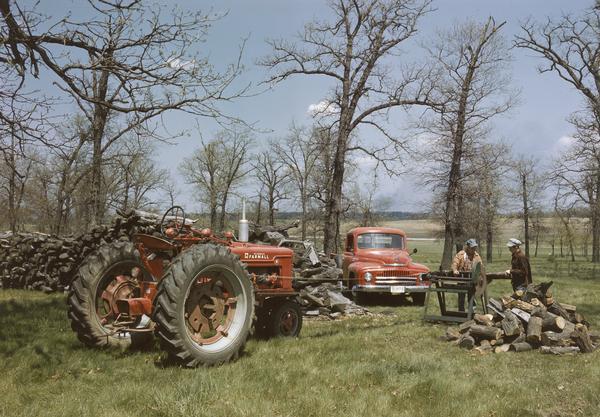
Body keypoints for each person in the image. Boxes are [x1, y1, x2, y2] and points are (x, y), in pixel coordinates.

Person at [451, 239, 482, 311]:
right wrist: (455, 270)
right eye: (472, 248)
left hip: (472, 280)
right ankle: (461, 314)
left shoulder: (476, 255)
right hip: (462, 279)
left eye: (475, 247)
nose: (474, 249)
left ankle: (471, 315)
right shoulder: (461, 254)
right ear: (467, 247)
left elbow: (480, 266)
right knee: (461, 298)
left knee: (472, 298)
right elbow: (455, 263)